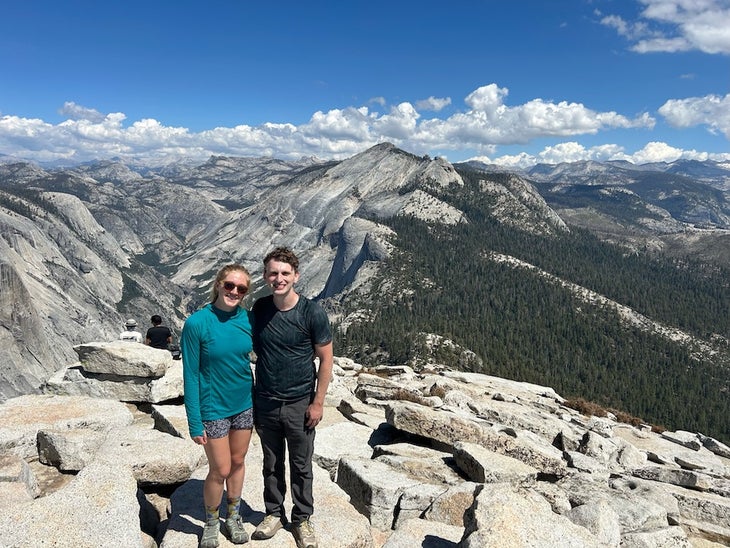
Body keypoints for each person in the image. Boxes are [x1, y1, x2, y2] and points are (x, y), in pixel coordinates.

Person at [250, 247, 333, 548]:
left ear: (296, 276)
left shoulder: (312, 312)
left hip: (300, 403)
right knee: (271, 463)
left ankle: (302, 518)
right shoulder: (259, 309)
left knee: (301, 465)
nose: (279, 279)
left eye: (285, 273)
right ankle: (273, 513)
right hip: (266, 402)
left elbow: (326, 359)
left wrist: (318, 401)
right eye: (273, 273)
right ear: (265, 276)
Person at [181, 264, 254, 548]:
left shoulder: (247, 320)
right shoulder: (197, 323)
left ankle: (233, 516)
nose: (234, 291)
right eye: (229, 285)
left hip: (244, 404)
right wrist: (194, 421)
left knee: (238, 463)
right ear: (218, 285)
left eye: (241, 288)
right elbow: (190, 374)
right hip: (213, 407)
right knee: (219, 469)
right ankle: (211, 522)